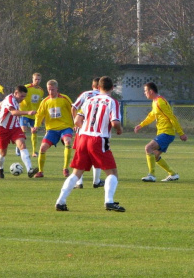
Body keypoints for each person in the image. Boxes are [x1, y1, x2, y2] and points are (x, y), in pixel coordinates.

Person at [55, 76, 125, 212]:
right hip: (98, 139)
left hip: (83, 138)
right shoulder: (112, 102)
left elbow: (77, 121)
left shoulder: (90, 100)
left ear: (98, 87)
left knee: (76, 173)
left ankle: (60, 201)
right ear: (112, 88)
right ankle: (109, 202)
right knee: (112, 172)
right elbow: (115, 122)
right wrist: (119, 129)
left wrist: (86, 129)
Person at [134, 82, 188, 182]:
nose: (144, 93)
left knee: (148, 148)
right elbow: (152, 116)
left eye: (145, 91)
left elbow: (172, 117)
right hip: (163, 133)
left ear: (151, 91)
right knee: (154, 155)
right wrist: (141, 125)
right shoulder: (155, 101)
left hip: (167, 133)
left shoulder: (160, 102)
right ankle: (173, 174)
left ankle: (151, 175)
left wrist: (181, 133)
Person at [0, 85, 39, 178]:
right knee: (3, 152)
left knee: (22, 144)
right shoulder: (10, 99)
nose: (23, 98)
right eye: (22, 96)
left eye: (24, 96)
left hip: (14, 127)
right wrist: (27, 112)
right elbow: (13, 112)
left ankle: (29, 170)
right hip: (2, 128)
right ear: (16, 93)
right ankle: (0, 168)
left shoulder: (11, 98)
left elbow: (2, 102)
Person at [31, 80, 74, 178]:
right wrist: (36, 126)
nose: (50, 92)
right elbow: (39, 115)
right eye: (49, 90)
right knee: (42, 148)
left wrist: (76, 122)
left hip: (65, 127)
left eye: (52, 89)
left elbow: (73, 110)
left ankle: (65, 168)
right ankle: (40, 171)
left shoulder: (64, 99)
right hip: (51, 130)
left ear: (57, 89)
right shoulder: (45, 101)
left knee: (67, 141)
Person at [70, 77, 103, 189]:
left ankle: (79, 183)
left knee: (81, 155)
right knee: (97, 155)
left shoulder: (86, 94)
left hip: (83, 130)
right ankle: (96, 181)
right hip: (98, 131)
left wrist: (76, 122)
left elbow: (73, 107)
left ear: (92, 85)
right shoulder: (104, 97)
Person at [17, 73, 44, 157]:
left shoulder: (41, 91)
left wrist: (41, 116)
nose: (37, 81)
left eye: (39, 79)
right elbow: (18, 96)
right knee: (23, 130)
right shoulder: (26, 87)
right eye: (36, 79)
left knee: (34, 131)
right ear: (32, 79)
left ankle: (34, 151)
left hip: (34, 115)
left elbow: (40, 104)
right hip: (25, 113)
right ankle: (19, 148)